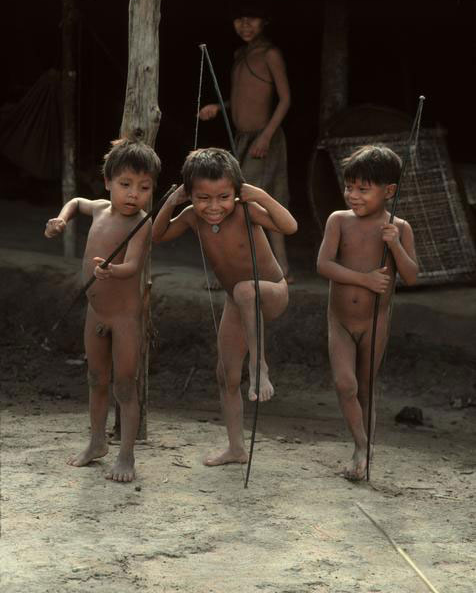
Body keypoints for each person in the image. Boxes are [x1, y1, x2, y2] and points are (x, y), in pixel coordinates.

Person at [152, 148, 297, 466]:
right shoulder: (191, 215)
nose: (213, 207)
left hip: (271, 293)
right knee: (225, 374)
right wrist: (172, 202)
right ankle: (236, 448)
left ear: (236, 192)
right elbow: (157, 234)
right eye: (203, 197)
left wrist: (259, 195)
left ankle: (259, 366)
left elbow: (289, 227)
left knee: (246, 289)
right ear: (190, 194)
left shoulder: (246, 210)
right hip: (239, 302)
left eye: (223, 197)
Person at [45, 138, 161, 482]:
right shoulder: (98, 209)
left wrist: (113, 270)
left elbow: (134, 266)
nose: (133, 195)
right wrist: (62, 219)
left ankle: (126, 455)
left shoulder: (142, 223)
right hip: (96, 313)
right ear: (108, 181)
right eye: (125, 185)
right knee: (96, 379)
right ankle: (96, 442)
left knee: (125, 386)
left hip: (125, 319)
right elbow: (76, 202)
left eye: (143, 188)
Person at [316, 144, 418, 481]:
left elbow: (412, 274)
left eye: (364, 189)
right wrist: (364, 279)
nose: (353, 196)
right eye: (349, 187)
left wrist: (395, 245)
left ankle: (363, 452)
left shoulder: (398, 227)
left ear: (389, 191)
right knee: (345, 385)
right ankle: (362, 446)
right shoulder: (339, 221)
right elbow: (323, 264)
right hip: (340, 321)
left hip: (376, 321)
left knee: (365, 388)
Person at [199, 4, 293, 285]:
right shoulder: (240, 54)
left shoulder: (271, 54)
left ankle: (239, 270)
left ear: (265, 20)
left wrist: (265, 136)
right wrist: (219, 107)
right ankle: (282, 271)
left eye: (251, 18)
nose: (245, 25)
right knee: (264, 202)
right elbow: (242, 97)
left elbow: (286, 99)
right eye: (239, 19)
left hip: (265, 137)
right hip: (242, 139)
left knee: (245, 202)